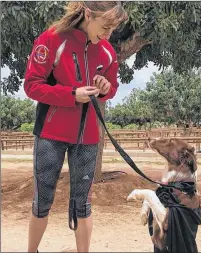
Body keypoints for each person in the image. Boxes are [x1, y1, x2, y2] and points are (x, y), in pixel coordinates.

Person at [24, 2, 127, 252]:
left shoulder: (107, 52)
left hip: (88, 136)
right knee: (42, 201)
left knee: (83, 204)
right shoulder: (52, 39)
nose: (107, 35)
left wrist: (104, 87)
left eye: (112, 30)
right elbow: (32, 85)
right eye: (104, 27)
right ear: (88, 14)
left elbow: (111, 88)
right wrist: (71, 94)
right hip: (50, 134)